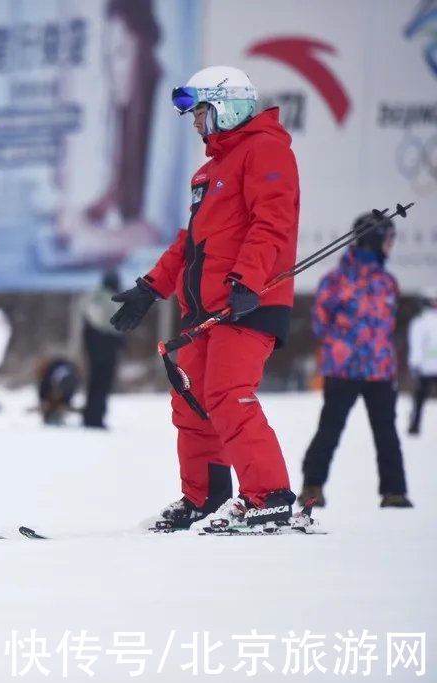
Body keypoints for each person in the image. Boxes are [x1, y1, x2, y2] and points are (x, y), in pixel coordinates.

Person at [110, 66, 303, 533]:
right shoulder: (210, 171)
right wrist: (151, 287)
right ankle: (205, 496)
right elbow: (191, 241)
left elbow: (271, 224)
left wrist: (247, 282)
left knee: (227, 394)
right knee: (190, 400)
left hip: (247, 302)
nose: (196, 122)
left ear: (227, 106)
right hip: (206, 309)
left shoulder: (265, 150)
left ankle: (270, 497)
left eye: (200, 111)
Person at [298, 215, 411, 508]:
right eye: (388, 239)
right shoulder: (337, 280)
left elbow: (390, 323)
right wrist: (342, 347)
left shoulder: (387, 282)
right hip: (343, 369)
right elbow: (320, 322)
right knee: (330, 428)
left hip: (379, 372)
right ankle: (312, 486)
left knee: (386, 431)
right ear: (374, 239)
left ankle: (394, 492)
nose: (391, 245)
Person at [80, 270, 125, 428]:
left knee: (95, 381)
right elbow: (112, 324)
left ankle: (91, 415)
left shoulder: (96, 297)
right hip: (105, 345)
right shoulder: (108, 299)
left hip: (96, 344)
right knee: (102, 382)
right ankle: (95, 417)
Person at [408, 287, 437, 436]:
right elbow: (417, 344)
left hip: (427, 367)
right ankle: (414, 425)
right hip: (426, 367)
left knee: (419, 399)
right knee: (419, 399)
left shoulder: (420, 322)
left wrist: (415, 364)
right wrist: (415, 362)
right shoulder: (420, 322)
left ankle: (414, 425)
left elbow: (416, 345)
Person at [37, 357, 82, 426]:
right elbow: (43, 393)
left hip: (66, 381)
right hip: (54, 375)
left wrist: (64, 404)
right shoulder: (45, 382)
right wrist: (43, 402)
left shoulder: (70, 385)